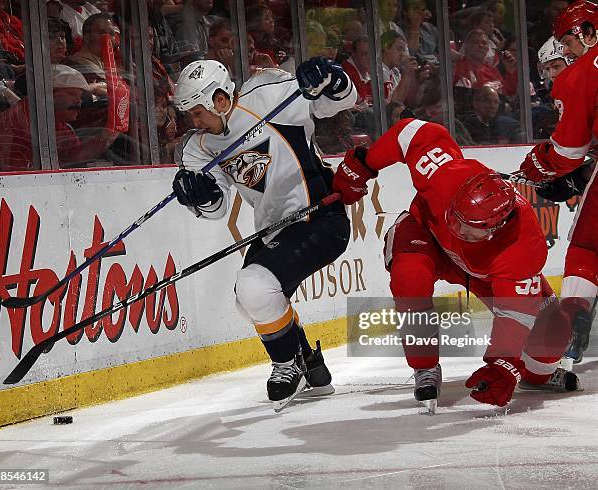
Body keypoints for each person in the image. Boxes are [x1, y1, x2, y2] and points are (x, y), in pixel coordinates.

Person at [331, 118, 579, 410]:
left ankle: (536, 375)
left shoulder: (523, 247)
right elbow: (413, 132)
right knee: (409, 277)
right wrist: (366, 164)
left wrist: (503, 366)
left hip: (484, 270)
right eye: (456, 217)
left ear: (495, 228)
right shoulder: (444, 175)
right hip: (427, 236)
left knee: (555, 335)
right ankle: (424, 367)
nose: (457, 229)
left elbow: (516, 315)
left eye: (468, 228)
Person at [171, 58, 356, 410]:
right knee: (249, 300)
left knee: (254, 285)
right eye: (189, 115)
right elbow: (217, 209)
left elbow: (341, 100)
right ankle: (308, 361)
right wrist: (199, 194)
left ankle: (287, 365)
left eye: (197, 112)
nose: (193, 122)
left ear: (220, 99)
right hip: (275, 228)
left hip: (320, 215)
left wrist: (331, 78)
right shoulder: (199, 148)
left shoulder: (269, 96)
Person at [518, 0, 597, 365]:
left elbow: (568, 151)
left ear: (588, 32)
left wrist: (540, 166)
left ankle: (573, 327)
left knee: (586, 247)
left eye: (567, 43)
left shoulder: (579, 74)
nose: (566, 52)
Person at [0, 63, 128, 172]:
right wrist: (110, 132)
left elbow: (75, 157)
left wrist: (111, 131)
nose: (79, 101)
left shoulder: (58, 124)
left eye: (80, 96)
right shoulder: (21, 124)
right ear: (49, 95)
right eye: (72, 94)